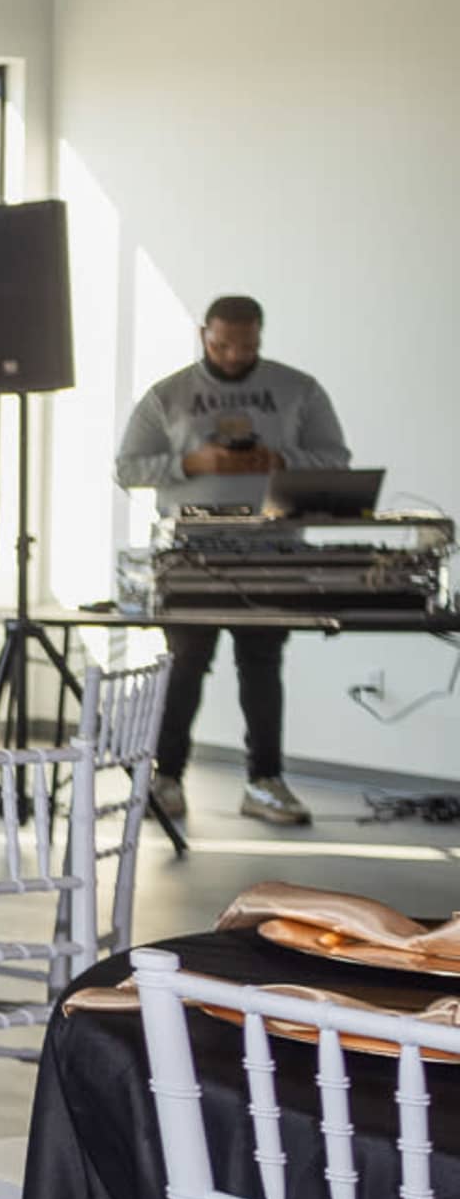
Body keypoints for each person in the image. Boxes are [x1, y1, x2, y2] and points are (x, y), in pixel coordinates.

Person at [114, 294, 350, 828]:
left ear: (260, 337)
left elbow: (337, 459)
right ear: (204, 335)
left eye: (246, 345)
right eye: (222, 344)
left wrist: (282, 459)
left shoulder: (299, 390)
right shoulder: (168, 395)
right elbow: (127, 468)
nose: (233, 354)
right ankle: (166, 779)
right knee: (185, 667)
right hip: (190, 553)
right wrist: (190, 463)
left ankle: (265, 782)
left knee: (262, 666)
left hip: (272, 550)